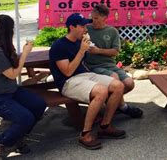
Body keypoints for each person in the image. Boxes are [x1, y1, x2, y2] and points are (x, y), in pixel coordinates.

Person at [49, 13, 125, 150]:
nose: (86, 28)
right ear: (71, 27)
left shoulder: (80, 41)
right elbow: (67, 72)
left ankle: (105, 126)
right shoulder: (58, 46)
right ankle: (85, 134)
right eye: (82, 25)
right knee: (101, 91)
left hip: (86, 75)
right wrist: (81, 51)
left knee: (118, 85)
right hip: (68, 82)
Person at [0, 14, 47, 160]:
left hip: (12, 91)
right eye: (13, 29)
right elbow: (12, 74)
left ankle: (18, 137)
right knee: (25, 118)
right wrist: (25, 54)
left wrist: (19, 53)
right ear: (8, 31)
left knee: (39, 105)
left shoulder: (2, 47)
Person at [85, 4, 143, 118]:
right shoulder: (86, 29)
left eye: (96, 18)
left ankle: (112, 103)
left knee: (129, 83)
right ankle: (123, 107)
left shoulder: (112, 31)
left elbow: (115, 52)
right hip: (92, 65)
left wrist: (98, 51)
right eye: (92, 17)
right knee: (114, 78)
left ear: (104, 18)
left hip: (109, 65)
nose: (93, 20)